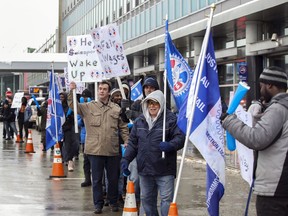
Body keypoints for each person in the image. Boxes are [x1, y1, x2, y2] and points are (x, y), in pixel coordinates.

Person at [221, 66, 288, 216]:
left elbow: (257, 138)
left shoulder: (278, 109)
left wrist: (229, 121)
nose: (261, 89)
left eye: (261, 85)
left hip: (275, 191)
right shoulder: (281, 108)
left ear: (269, 85)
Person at [68, 81, 129, 214]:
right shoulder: (89, 107)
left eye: (104, 89)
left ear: (108, 92)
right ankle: (98, 204)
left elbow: (123, 127)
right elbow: (74, 106)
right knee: (96, 179)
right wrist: (71, 91)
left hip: (112, 149)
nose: (101, 91)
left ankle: (113, 202)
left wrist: (127, 141)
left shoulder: (116, 109)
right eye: (100, 89)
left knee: (113, 178)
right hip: (95, 150)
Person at [121, 90, 185, 216]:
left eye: (155, 103)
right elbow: (133, 143)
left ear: (161, 104)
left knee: (166, 200)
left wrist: (170, 145)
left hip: (165, 169)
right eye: (149, 103)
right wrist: (126, 159)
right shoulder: (140, 121)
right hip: (145, 169)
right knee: (146, 199)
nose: (152, 106)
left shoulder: (170, 119)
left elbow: (180, 138)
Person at [60, 92, 79, 172]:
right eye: (60, 97)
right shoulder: (57, 107)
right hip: (59, 129)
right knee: (60, 145)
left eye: (62, 97)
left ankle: (69, 160)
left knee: (70, 144)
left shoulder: (69, 107)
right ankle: (63, 158)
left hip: (68, 128)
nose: (61, 99)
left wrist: (70, 117)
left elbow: (75, 117)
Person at [78, 89, 92, 187]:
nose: (85, 99)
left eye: (87, 97)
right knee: (86, 160)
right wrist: (82, 121)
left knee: (94, 161)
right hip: (84, 138)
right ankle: (87, 179)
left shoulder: (94, 106)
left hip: (94, 137)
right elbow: (78, 122)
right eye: (84, 97)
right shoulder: (80, 108)